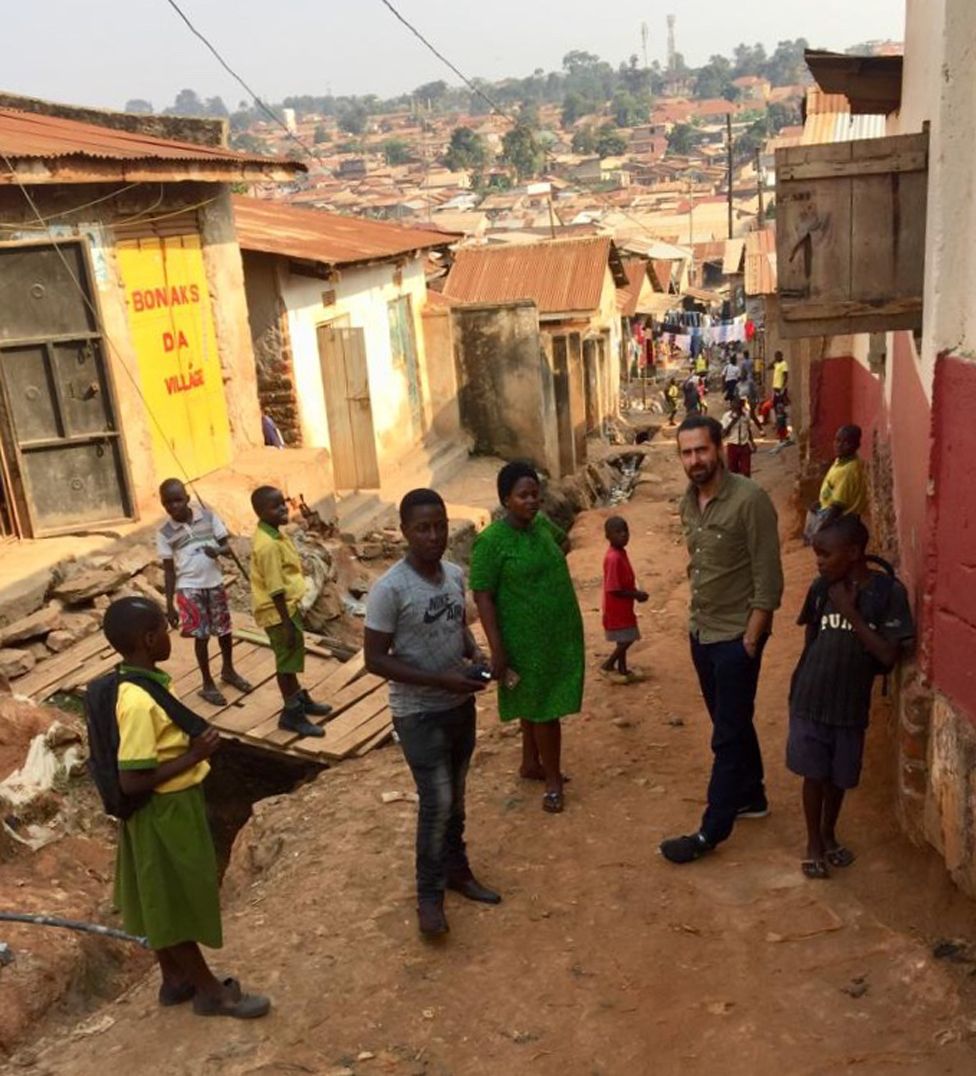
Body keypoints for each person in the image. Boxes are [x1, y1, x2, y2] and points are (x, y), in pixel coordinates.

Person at [105, 596, 270, 1018]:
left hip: (167, 807)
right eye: (164, 628)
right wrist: (194, 756)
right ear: (147, 638)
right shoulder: (138, 702)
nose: (171, 634)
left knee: (160, 893)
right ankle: (209, 991)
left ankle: (173, 979)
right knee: (175, 899)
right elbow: (132, 779)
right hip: (164, 809)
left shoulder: (147, 681)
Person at [364, 489, 501, 937]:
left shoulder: (454, 575)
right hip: (418, 713)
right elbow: (375, 660)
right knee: (436, 801)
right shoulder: (390, 589)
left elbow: (457, 625)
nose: (434, 535)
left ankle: (458, 870)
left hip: (459, 705)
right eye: (423, 528)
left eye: (440, 525)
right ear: (404, 531)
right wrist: (440, 680)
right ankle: (429, 895)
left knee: (456, 796)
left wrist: (476, 657)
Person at [660, 415, 784, 864]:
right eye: (686, 452)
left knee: (727, 734)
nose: (694, 460)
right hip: (702, 632)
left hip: (736, 637)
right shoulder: (688, 504)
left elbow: (768, 577)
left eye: (701, 450)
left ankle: (711, 831)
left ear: (720, 449)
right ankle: (753, 795)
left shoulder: (750, 501)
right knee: (728, 721)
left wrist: (752, 638)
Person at [787, 516, 914, 879]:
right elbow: (811, 638)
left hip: (849, 703)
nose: (819, 561)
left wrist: (850, 613)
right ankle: (813, 842)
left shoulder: (888, 594)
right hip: (811, 697)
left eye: (826, 554)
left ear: (854, 553)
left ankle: (829, 834)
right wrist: (797, 682)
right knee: (813, 775)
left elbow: (888, 656)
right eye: (817, 555)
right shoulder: (820, 588)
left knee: (838, 777)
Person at [470, 461, 585, 815]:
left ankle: (530, 763)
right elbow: (483, 596)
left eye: (535, 494)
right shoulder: (490, 542)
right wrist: (497, 649)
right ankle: (552, 781)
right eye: (523, 496)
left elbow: (564, 542)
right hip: (523, 640)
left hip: (557, 633)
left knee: (534, 704)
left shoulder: (541, 526)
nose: (532, 501)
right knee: (544, 708)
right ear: (506, 500)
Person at [157, 479, 252, 707]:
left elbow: (228, 548)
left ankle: (228, 669)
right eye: (167, 502)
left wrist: (217, 550)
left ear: (187, 498)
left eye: (178, 500)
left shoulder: (208, 517)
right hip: (188, 588)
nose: (173, 506)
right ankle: (207, 682)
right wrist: (169, 604)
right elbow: (169, 571)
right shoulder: (164, 532)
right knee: (201, 636)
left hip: (214, 583)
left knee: (224, 630)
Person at [249, 486, 332, 739]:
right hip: (278, 613)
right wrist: (286, 623)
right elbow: (275, 588)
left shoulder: (275, 534)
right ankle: (291, 714)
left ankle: (299, 699)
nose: (284, 508)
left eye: (283, 503)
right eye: (275, 507)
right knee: (286, 663)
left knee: (292, 658)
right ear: (261, 512)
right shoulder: (268, 546)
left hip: (287, 608)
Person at [600, 516, 648, 683]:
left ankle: (622, 669)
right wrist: (636, 595)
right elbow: (614, 589)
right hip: (617, 609)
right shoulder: (613, 558)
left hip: (623, 607)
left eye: (626, 531)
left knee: (623, 638)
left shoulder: (620, 553)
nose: (623, 535)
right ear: (608, 536)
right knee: (628, 638)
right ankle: (608, 665)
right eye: (618, 532)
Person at [818, 425, 869, 523]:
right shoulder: (840, 461)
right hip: (828, 511)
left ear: (856, 445)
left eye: (846, 443)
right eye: (837, 441)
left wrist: (820, 528)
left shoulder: (848, 470)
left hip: (841, 520)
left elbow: (837, 507)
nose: (839, 445)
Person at [721, 396, 761, 477]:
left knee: (746, 471)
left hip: (744, 445)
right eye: (735, 404)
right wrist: (734, 420)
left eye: (739, 404)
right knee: (733, 470)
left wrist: (752, 442)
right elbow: (723, 434)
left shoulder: (746, 415)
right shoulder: (726, 416)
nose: (738, 406)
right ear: (732, 405)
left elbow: (748, 429)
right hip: (732, 445)